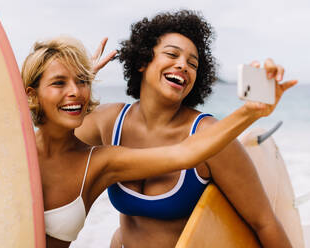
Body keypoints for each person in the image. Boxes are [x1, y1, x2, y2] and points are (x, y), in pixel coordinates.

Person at [76, 10, 296, 248]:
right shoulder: (109, 121)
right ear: (141, 61)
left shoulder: (211, 137)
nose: (183, 65)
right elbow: (47, 156)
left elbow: (264, 223)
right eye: (172, 54)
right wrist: (76, 86)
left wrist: (254, 110)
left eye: (193, 64)